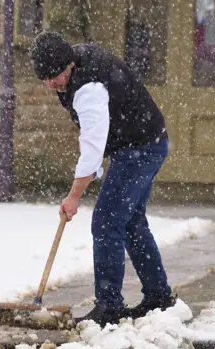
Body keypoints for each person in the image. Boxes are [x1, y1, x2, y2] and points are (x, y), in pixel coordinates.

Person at [29, 30, 175, 327]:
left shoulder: (88, 89)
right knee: (131, 220)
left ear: (67, 65)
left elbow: (93, 147)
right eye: (43, 78)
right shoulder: (76, 65)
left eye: (53, 76)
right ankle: (159, 297)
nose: (49, 84)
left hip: (140, 148)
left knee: (107, 221)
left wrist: (73, 195)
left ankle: (109, 306)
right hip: (146, 142)